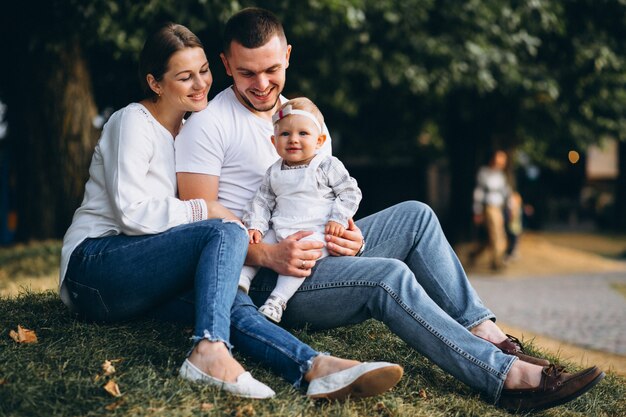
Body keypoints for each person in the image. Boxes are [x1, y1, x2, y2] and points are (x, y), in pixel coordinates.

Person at [175, 7, 604, 412]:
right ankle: (505, 379)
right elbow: (201, 217)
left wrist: (350, 233)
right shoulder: (209, 125)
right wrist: (265, 254)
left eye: (272, 69)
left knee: (417, 214)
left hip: (318, 245)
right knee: (389, 277)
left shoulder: (301, 118)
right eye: (248, 72)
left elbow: (329, 192)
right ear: (226, 64)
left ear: (287, 55)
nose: (263, 83)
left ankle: (487, 333)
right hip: (268, 275)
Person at [59, 22, 402, 400]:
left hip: (148, 274)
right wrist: (206, 210)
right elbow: (130, 213)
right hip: (95, 266)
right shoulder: (131, 122)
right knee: (225, 229)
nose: (200, 84)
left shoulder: (188, 128)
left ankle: (313, 368)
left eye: (203, 71)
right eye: (184, 77)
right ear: (155, 83)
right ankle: (208, 349)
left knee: (226, 300)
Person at [240, 97, 362, 323]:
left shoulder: (326, 165)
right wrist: (255, 225)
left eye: (303, 134)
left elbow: (350, 192)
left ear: (319, 140)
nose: (293, 140)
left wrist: (338, 218)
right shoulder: (273, 171)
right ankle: (242, 282)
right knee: (259, 242)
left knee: (301, 256)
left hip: (315, 230)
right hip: (281, 226)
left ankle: (277, 300)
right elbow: (262, 201)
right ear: (274, 141)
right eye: (285, 134)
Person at [469, 150, 511, 270]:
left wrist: (509, 207)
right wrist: (477, 211)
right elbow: (479, 192)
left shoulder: (501, 175)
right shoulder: (484, 173)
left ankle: (474, 255)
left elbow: (505, 192)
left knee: (491, 237)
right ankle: (497, 262)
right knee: (497, 234)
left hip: (499, 208)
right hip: (488, 208)